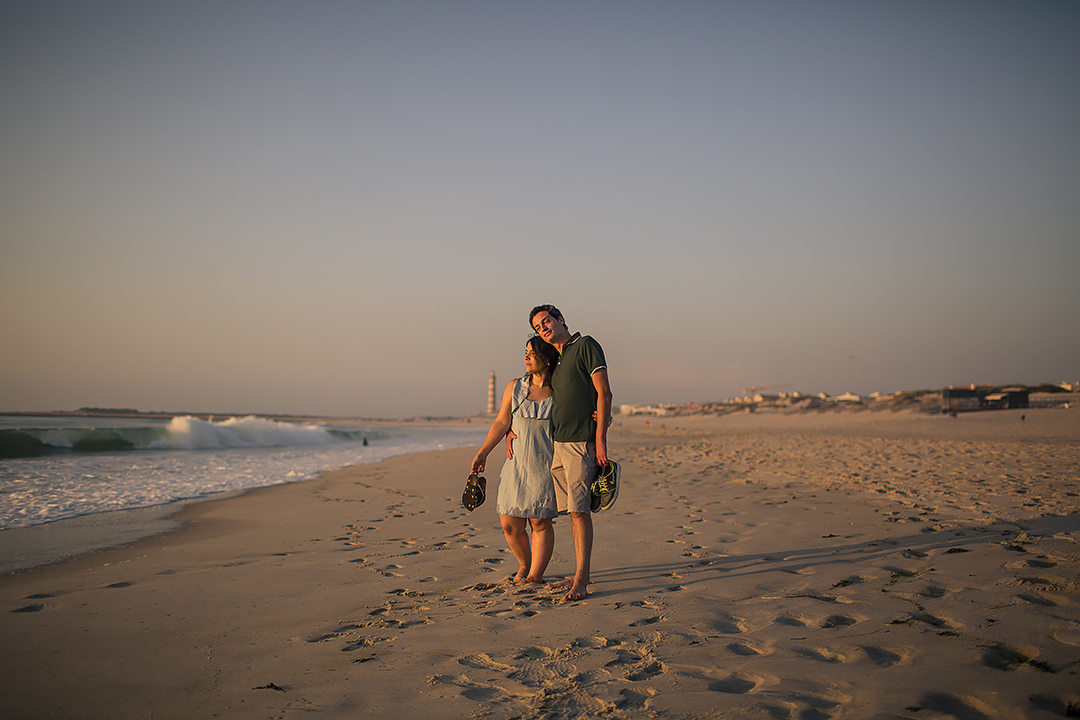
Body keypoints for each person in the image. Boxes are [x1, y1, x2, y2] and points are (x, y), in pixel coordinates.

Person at [528, 304, 613, 602]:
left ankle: (582, 580)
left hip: (581, 443)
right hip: (559, 444)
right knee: (572, 512)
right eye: (538, 327)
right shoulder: (558, 359)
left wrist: (600, 438)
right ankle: (580, 574)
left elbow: (604, 393)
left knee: (580, 511)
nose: (543, 329)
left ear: (560, 320)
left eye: (546, 322)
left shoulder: (585, 345)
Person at [470, 336, 561, 585]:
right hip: (516, 465)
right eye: (525, 352)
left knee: (539, 522)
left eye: (533, 353)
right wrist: (483, 452)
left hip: (545, 464)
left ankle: (535, 575)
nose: (526, 356)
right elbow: (502, 421)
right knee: (510, 525)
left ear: (548, 358)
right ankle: (524, 564)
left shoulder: (560, 390)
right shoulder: (515, 386)